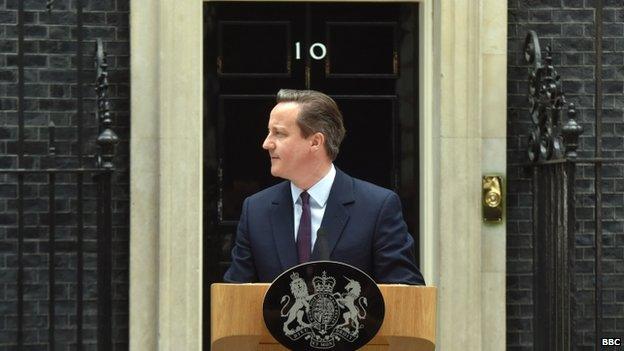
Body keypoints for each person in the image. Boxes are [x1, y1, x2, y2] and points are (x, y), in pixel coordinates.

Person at [224, 89, 425, 285]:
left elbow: (406, 294)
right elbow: (234, 298)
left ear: (315, 142)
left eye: (279, 133)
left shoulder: (377, 207)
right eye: (269, 132)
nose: (267, 143)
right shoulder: (256, 210)